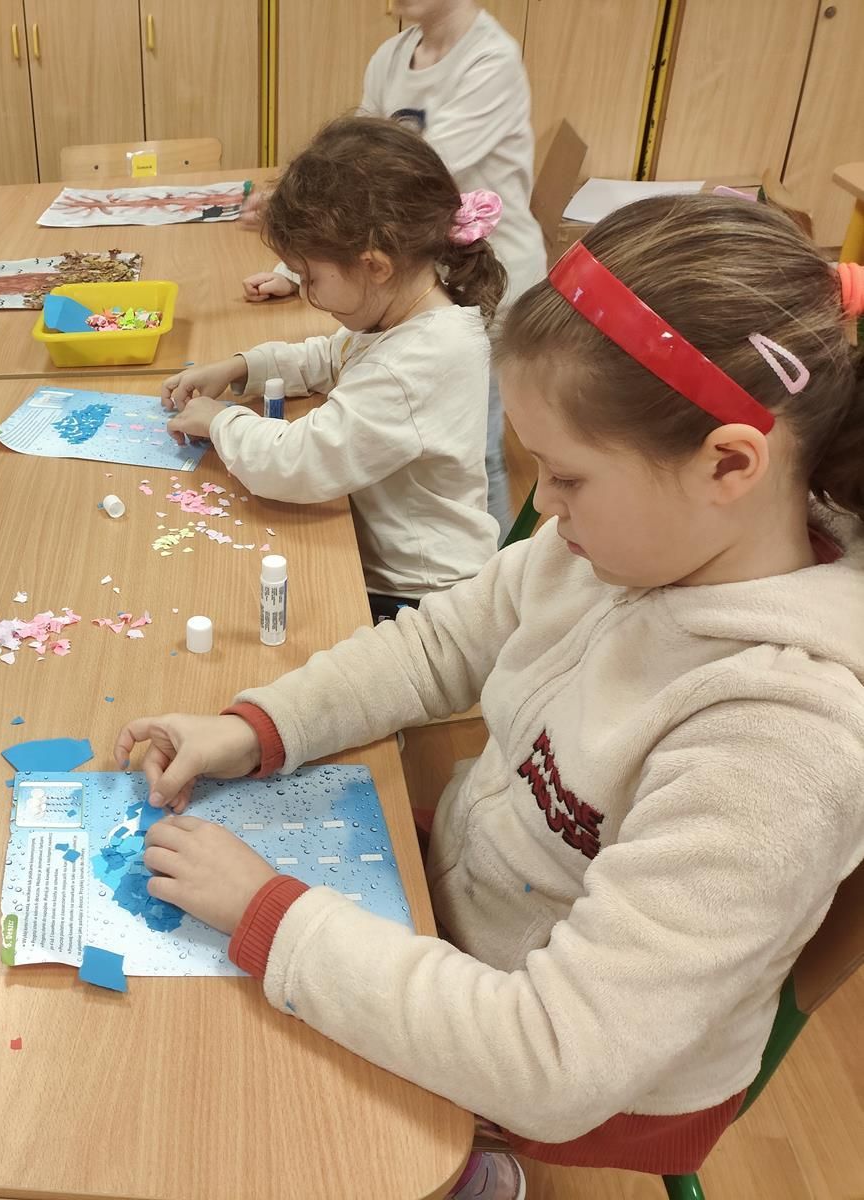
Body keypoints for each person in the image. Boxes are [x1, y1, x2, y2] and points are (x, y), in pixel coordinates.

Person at [121, 198, 864, 1196]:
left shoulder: (780, 739)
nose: (541, 509)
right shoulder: (617, 547)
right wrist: (253, 726)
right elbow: (434, 647)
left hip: (580, 1073)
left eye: (565, 477)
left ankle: (467, 1173)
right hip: (470, 902)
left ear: (726, 463)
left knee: (234, 1110)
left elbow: (553, 1063)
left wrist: (267, 912)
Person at [164, 117, 503, 618]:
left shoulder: (415, 360)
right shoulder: (408, 309)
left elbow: (298, 462)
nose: (306, 293)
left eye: (310, 277)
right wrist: (240, 367)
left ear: (375, 266)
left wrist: (220, 421)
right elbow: (332, 356)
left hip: (418, 597)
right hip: (388, 562)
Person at [244, 0, 545, 536]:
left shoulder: (490, 58)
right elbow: (350, 164)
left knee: (477, 453)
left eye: (314, 280)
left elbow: (407, 178)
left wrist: (305, 225)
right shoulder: (391, 56)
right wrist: (299, 263)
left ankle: (492, 573)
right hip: (414, 271)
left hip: (483, 275)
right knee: (434, 449)